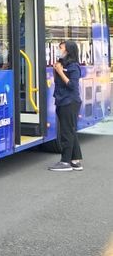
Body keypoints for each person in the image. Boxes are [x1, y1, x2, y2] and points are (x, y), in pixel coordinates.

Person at [49, 41, 83, 172]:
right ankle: (75, 160)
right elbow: (58, 83)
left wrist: (60, 72)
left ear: (68, 50)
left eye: (61, 48)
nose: (59, 50)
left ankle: (65, 161)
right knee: (70, 130)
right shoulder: (63, 65)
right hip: (61, 101)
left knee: (66, 132)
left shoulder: (74, 66)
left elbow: (72, 85)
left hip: (70, 102)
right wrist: (56, 70)